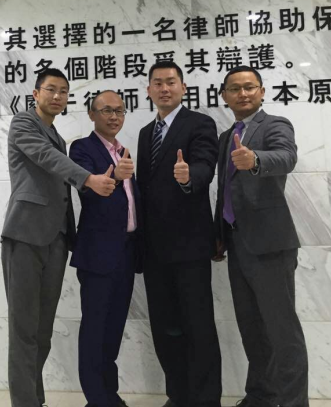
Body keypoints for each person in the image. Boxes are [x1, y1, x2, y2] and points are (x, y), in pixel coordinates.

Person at [1, 68, 116, 407]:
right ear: (36, 94)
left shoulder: (57, 136)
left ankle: (35, 400)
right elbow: (45, 157)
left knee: (42, 332)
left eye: (63, 91)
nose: (57, 96)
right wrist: (89, 179)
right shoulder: (24, 123)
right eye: (51, 89)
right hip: (25, 234)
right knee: (24, 330)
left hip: (56, 239)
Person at [214, 65, 308, 407]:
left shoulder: (275, 125)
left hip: (270, 244)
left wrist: (255, 160)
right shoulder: (226, 137)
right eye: (235, 88)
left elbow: (287, 157)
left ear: (262, 91)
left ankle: (294, 402)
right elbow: (224, 190)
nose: (243, 93)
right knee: (252, 327)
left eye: (250, 87)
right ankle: (261, 396)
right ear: (224, 96)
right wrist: (219, 233)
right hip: (237, 242)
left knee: (282, 330)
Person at [136, 61, 222, 407]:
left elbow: (206, 165)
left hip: (189, 246)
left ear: (183, 88)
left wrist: (189, 177)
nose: (164, 88)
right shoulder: (145, 133)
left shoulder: (200, 123)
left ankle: (205, 400)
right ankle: (178, 395)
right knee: (165, 327)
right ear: (149, 90)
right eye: (157, 83)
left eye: (171, 82)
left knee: (198, 326)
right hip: (154, 249)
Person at [69, 90, 140, 407]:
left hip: (126, 252)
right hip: (98, 253)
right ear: (92, 114)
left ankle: (109, 395)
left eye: (119, 111)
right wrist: (115, 179)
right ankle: (97, 400)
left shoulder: (123, 151)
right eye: (106, 110)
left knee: (113, 330)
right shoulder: (81, 149)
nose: (114, 116)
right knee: (95, 330)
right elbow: (89, 190)